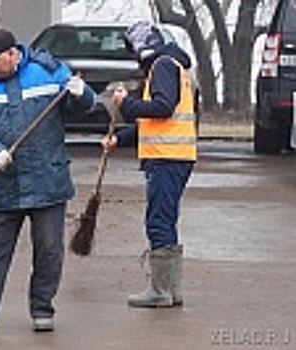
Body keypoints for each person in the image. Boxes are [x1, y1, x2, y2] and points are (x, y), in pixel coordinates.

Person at [0, 28, 95, 336]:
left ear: (12, 54)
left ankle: (42, 309)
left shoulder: (48, 71)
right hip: (5, 182)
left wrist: (83, 94)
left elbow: (84, 107)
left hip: (48, 180)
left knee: (49, 250)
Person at [101, 21, 197, 308]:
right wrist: (120, 139)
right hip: (173, 156)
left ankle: (161, 291)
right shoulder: (172, 66)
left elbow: (162, 108)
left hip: (167, 158)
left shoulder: (163, 67)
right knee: (165, 220)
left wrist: (125, 103)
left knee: (158, 221)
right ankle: (170, 290)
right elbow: (156, 122)